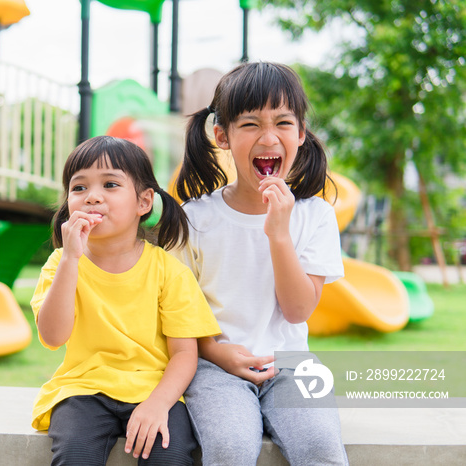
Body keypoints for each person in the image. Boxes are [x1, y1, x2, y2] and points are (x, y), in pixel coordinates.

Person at [171, 62, 348, 465]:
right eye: (250, 124)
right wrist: (217, 354)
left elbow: (298, 309)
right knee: (230, 448)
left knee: (321, 447)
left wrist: (278, 233)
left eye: (283, 123)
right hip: (214, 366)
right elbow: (177, 316)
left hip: (291, 362)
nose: (269, 138)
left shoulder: (315, 216)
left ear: (301, 134)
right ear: (223, 136)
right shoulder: (194, 219)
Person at [31, 135, 220, 465]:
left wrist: (159, 404)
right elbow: (52, 336)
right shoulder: (61, 264)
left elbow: (185, 354)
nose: (92, 197)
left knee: (171, 457)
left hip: (156, 388)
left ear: (144, 202)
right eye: (79, 188)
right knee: (75, 455)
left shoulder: (168, 271)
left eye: (110, 184)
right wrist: (71, 260)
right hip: (82, 389)